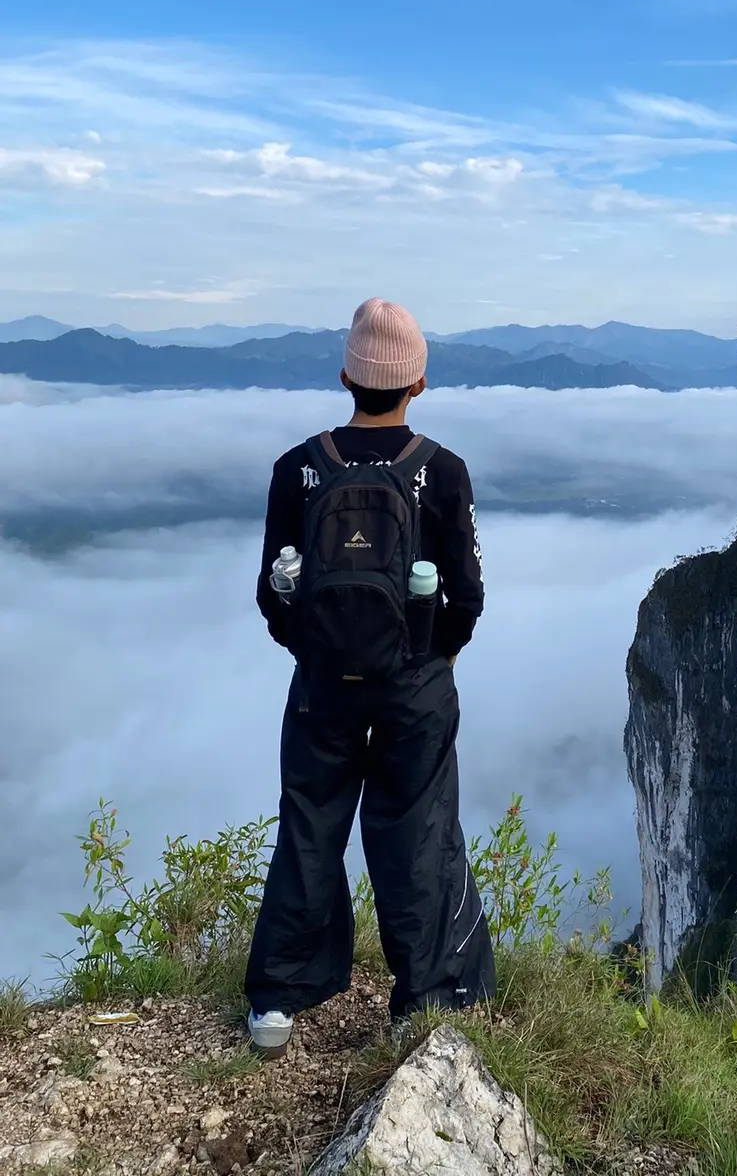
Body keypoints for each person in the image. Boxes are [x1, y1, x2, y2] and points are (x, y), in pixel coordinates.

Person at [244, 297, 495, 1057]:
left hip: (322, 688)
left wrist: (319, 652)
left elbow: (273, 595)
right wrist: (436, 658)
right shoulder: (441, 471)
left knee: (310, 824)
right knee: (417, 831)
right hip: (414, 688)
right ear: (418, 382)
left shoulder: (298, 469)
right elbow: (467, 596)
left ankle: (277, 1001)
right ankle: (425, 999)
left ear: (346, 377)